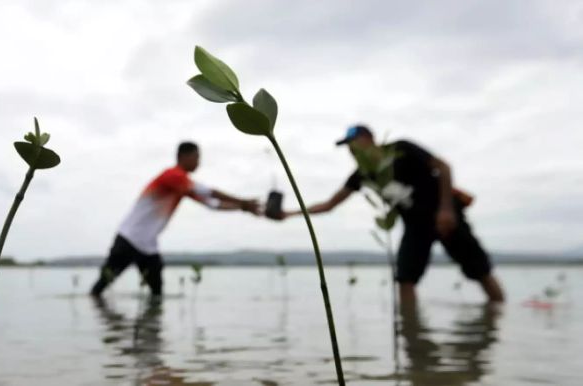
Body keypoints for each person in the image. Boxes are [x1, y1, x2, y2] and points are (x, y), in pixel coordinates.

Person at [277, 125, 504, 305]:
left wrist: (446, 209)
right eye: (348, 147)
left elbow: (443, 167)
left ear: (370, 138)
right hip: (415, 227)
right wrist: (288, 214)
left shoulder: (401, 149)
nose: (352, 149)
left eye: (354, 142)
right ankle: (411, 334)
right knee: (404, 279)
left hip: (445, 217)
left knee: (480, 270)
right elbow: (329, 204)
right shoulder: (362, 175)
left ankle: (498, 313)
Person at [90, 141, 260, 297]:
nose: (198, 162)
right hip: (129, 238)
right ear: (183, 157)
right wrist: (243, 201)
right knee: (102, 285)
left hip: (148, 246)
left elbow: (212, 204)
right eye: (196, 157)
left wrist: (242, 208)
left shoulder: (184, 186)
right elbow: (211, 192)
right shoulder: (173, 176)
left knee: (157, 293)